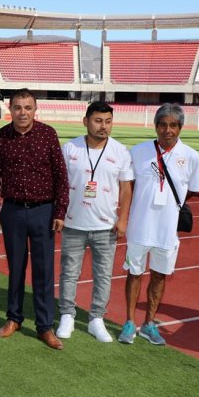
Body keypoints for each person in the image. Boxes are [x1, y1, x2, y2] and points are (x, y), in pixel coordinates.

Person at [0, 88, 69, 350]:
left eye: (27, 107)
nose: (22, 112)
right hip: (12, 211)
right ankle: (14, 318)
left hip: (43, 212)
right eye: (17, 107)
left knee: (44, 271)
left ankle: (45, 326)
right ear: (9, 109)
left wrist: (60, 212)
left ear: (35, 110)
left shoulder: (47, 134)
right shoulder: (1, 138)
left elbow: (61, 176)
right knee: (15, 269)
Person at [118, 103, 199, 346]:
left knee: (159, 275)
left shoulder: (192, 157)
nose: (168, 130)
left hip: (167, 231)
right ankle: (128, 322)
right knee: (134, 273)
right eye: (163, 125)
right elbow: (128, 185)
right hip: (139, 227)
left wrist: (169, 206)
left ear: (180, 128)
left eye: (173, 125)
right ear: (156, 126)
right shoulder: (138, 151)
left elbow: (192, 190)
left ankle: (148, 323)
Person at [56, 101, 134, 343]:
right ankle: (67, 314)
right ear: (86, 121)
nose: (103, 126)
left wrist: (123, 220)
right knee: (69, 273)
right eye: (98, 121)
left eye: (108, 121)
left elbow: (126, 189)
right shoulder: (69, 149)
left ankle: (96, 319)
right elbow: (58, 185)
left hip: (105, 226)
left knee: (103, 275)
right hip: (73, 223)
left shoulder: (120, 151)